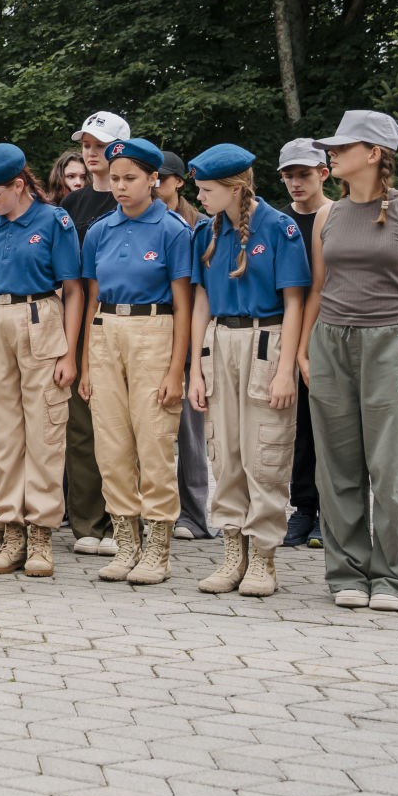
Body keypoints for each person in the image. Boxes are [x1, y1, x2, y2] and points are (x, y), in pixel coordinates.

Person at [298, 110, 398, 612]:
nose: (332, 154)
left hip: (391, 343)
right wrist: (303, 349)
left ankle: (395, 579)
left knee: (392, 466)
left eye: (342, 147)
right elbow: (319, 288)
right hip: (330, 343)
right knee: (336, 468)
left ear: (375, 153)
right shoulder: (327, 216)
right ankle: (347, 575)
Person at [185, 144, 310, 597]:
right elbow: (201, 301)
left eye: (207, 190)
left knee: (265, 454)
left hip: (265, 341)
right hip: (219, 341)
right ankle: (232, 553)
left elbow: (295, 302)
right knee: (226, 453)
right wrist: (196, 370)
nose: (200, 197)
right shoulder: (206, 232)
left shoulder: (278, 227)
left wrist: (285, 370)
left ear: (236, 188)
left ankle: (263, 557)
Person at [0, 144, 83, 576]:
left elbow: (73, 290)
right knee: (3, 434)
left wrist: (69, 352)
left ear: (19, 185)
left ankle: (41, 534)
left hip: (40, 319)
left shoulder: (54, 221)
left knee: (44, 432)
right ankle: (12, 528)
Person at [79, 138, 193, 586]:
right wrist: (86, 364)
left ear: (154, 180)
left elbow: (183, 305)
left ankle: (157, 549)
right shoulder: (100, 230)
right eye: (115, 179)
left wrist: (176, 370)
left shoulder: (173, 230)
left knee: (154, 442)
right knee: (111, 446)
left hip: (154, 329)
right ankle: (126, 543)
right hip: (106, 331)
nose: (121, 187)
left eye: (130, 178)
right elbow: (91, 300)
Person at [61, 110, 133, 555]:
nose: (90, 153)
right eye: (85, 145)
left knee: (124, 426)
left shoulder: (135, 200)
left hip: (127, 321)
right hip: (80, 322)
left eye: (99, 145)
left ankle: (125, 520)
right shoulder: (71, 206)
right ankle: (88, 523)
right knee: (82, 427)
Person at [277, 139, 333, 548]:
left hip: (331, 332)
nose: (296, 183)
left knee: (330, 427)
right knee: (297, 429)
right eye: (289, 176)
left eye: (304, 175)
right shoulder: (279, 222)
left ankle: (332, 510)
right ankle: (303, 507)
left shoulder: (339, 217)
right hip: (287, 332)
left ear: (323, 174)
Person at [156, 150, 210, 543]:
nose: (155, 184)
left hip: (191, 335)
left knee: (190, 432)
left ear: (178, 182)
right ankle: (152, 509)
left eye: (161, 178)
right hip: (150, 332)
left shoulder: (200, 226)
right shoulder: (139, 222)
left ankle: (193, 515)